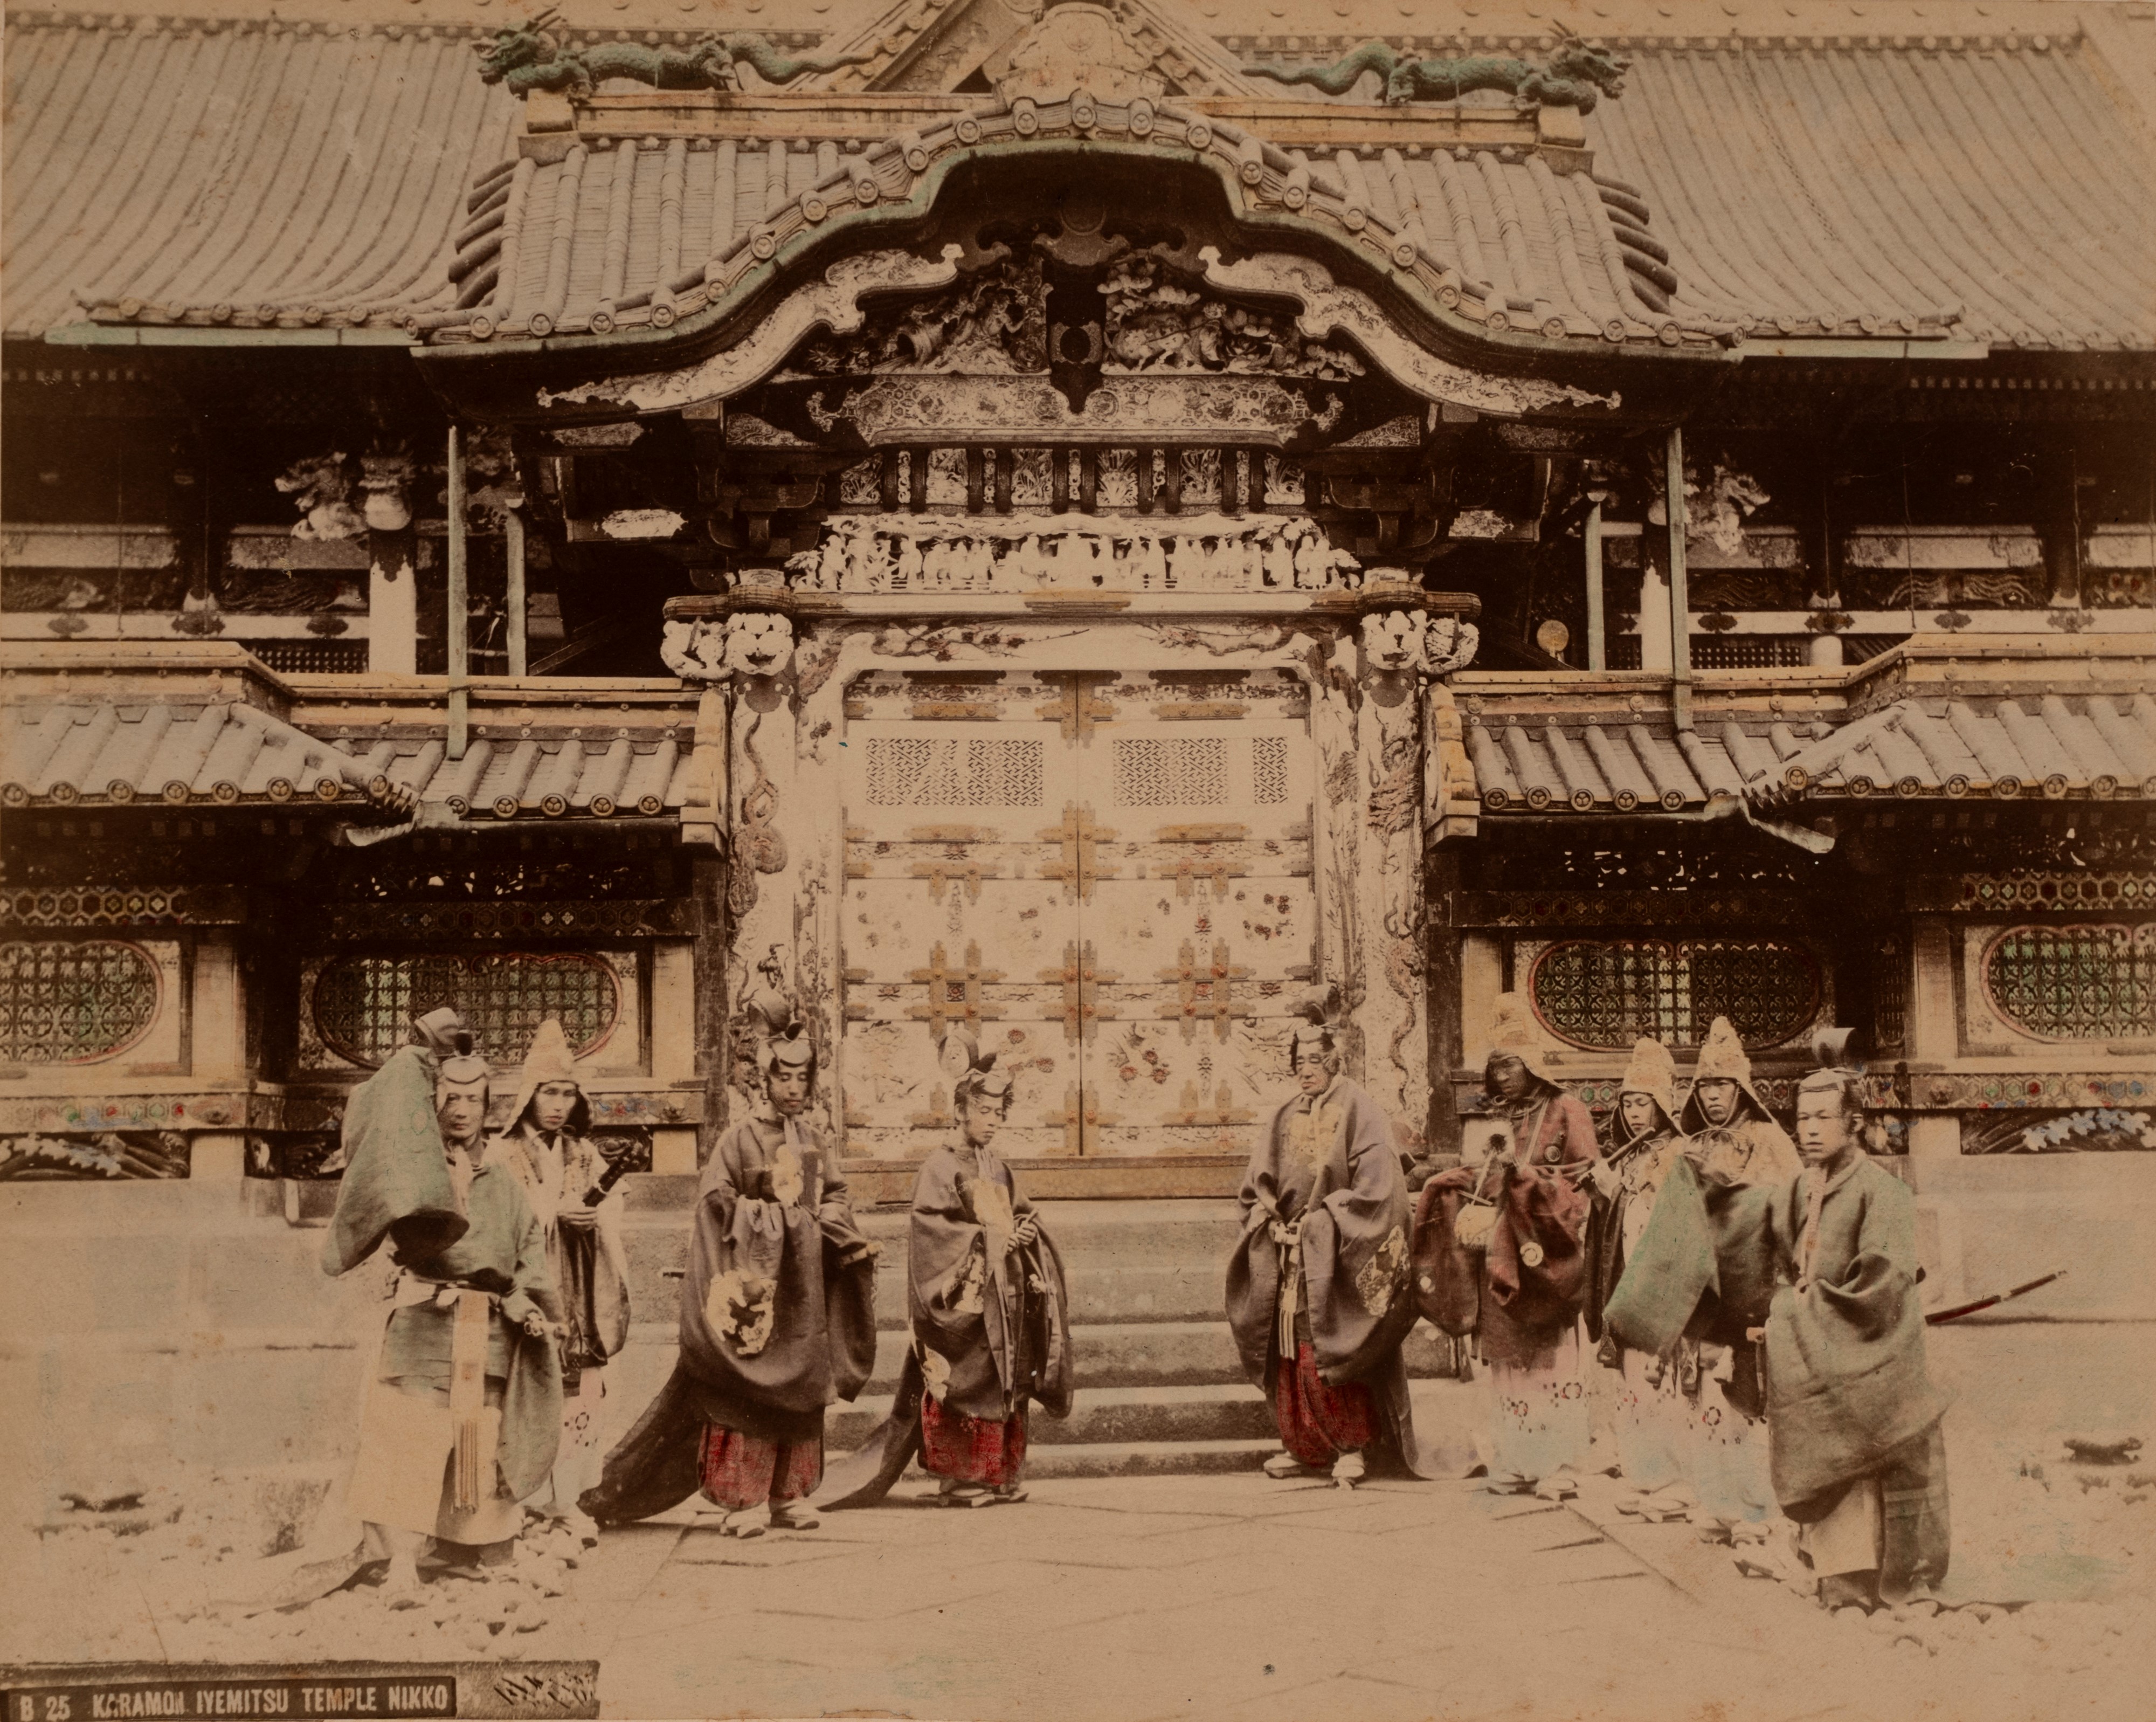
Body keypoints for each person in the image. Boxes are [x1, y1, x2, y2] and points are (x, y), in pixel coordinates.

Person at [1607, 1062, 1951, 1609]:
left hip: (1864, 1355)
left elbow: (1881, 1284)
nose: (1809, 1128)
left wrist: (1792, 1311)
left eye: (1823, 1116)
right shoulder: (1796, 1189)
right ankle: (1829, 1569)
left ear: (1854, 1122)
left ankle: (1875, 1573)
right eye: (1801, 1117)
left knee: (1861, 1466)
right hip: (1815, 1346)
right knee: (1814, 1463)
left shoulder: (1882, 1191)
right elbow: (1742, 1226)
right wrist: (1699, 1190)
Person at [579, 1021, 879, 1536]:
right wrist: (776, 1215)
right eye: (783, 1077)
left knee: (802, 1386)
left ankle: (790, 1495)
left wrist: (827, 1222)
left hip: (802, 1287)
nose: (792, 1087)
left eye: (801, 1078)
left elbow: (833, 1195)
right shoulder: (737, 1140)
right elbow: (717, 1204)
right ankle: (744, 1500)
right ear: (765, 1080)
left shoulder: (812, 1140)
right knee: (747, 1391)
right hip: (754, 1288)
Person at [324, 1010, 563, 1593]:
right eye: (450, 1098)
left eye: (473, 1100)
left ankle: (468, 1544)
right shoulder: (414, 1173)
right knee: (410, 1433)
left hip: (486, 1324)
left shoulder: (505, 1181)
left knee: (477, 1433)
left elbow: (530, 1246)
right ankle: (401, 1557)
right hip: (424, 1317)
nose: (461, 1110)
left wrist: (526, 1300)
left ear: (489, 1107)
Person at [818, 1039, 1074, 1509]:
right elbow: (935, 1232)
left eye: (1000, 1112)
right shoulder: (938, 1167)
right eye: (984, 1111)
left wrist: (1020, 1232)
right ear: (960, 1111)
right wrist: (993, 1242)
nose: (994, 1120)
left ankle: (999, 1474)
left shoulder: (996, 1165)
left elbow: (1020, 1213)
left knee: (1005, 1378)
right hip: (965, 1297)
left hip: (1002, 1294)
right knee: (966, 1378)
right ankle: (958, 1479)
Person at [1226, 1018, 1429, 1486]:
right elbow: (1257, 1184)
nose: (1306, 1071)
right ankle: (1303, 1446)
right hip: (1285, 1253)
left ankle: (1350, 1445)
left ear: (1336, 1060)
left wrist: (1319, 1226)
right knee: (1288, 1348)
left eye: (1315, 1060)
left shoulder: (1361, 1109)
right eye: (1299, 1062)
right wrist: (1270, 1221)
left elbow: (1380, 1191)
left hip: (1333, 1255)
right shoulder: (1285, 1113)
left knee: (1331, 1342)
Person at [1416, 993, 1597, 1497]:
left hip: (1544, 1247)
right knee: (1507, 1361)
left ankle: (1558, 1464)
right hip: (1499, 1249)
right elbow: (1478, 1174)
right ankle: (1517, 1459)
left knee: (1549, 1356)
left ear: (1533, 1065)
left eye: (1511, 1064)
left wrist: (1529, 1182)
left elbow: (1584, 1180)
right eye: (1496, 1066)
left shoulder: (1566, 1109)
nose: (1503, 1075)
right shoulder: (1493, 1116)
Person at [494, 1018, 630, 1544]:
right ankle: (522, 1502)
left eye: (567, 1093)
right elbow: (505, 1217)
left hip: (579, 1291)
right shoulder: (504, 1156)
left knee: (581, 1398)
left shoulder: (583, 1153)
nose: (558, 1104)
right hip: (531, 1290)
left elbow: (612, 1206)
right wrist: (554, 1212)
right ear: (529, 1095)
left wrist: (597, 1216)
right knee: (532, 1394)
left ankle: (566, 1501)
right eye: (549, 1092)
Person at [1675, 1015, 1802, 1543]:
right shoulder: (1696, 1142)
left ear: (1741, 1086)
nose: (1711, 1095)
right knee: (1708, 1402)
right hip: (1708, 1289)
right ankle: (1718, 1503)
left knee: (1750, 1400)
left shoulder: (1769, 1138)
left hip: (1755, 1288)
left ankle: (1759, 1511)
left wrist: (1739, 1186)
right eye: (1704, 1084)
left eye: (1721, 1084)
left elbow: (1794, 1204)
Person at [1580, 1036, 1689, 1511]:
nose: (1636, 1113)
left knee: (1658, 1377)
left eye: (1644, 1103)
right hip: (1625, 1273)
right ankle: (1642, 1474)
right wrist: (1606, 1193)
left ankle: (1670, 1478)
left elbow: (1665, 1216)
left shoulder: (1678, 1153)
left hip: (1659, 1280)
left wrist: (1617, 1192)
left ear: (1662, 1106)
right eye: (1628, 1103)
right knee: (1629, 1376)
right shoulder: (1626, 1154)